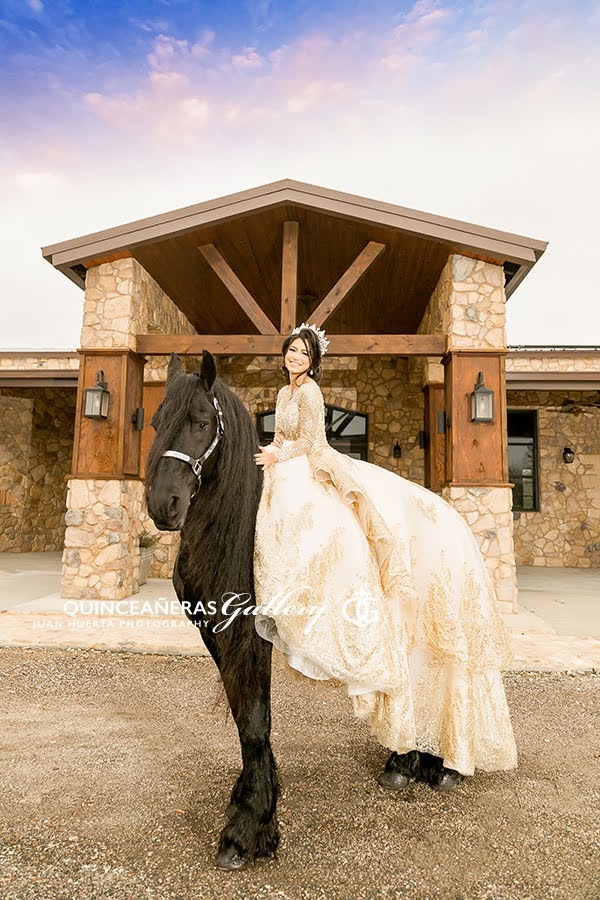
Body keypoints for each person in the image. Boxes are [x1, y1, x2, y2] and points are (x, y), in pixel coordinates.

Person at [253, 323, 517, 788]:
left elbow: (313, 445)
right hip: (286, 465)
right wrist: (268, 453)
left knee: (339, 523)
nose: (295, 356)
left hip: (313, 463)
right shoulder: (282, 391)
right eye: (291, 349)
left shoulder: (311, 392)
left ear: (313, 361)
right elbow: (278, 439)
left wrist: (279, 456)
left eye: (303, 351)